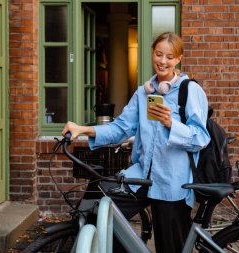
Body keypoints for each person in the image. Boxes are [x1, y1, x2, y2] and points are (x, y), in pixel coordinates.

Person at [62, 32, 210, 253]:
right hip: (141, 176)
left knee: (169, 247)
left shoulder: (190, 91)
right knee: (106, 212)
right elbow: (121, 128)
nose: (163, 61)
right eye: (159, 54)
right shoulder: (143, 93)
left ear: (178, 59)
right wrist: (83, 129)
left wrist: (171, 123)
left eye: (169, 57)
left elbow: (201, 137)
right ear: (152, 54)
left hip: (172, 183)